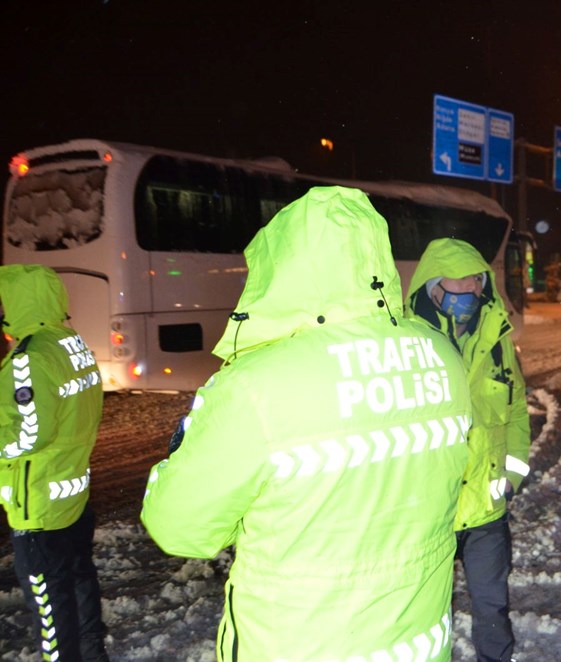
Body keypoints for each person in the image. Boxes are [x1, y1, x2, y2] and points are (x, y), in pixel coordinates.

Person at [140, 187, 473, 661]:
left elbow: (180, 528)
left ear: (282, 268)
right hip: (418, 642)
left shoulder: (255, 385)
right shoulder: (443, 357)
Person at [406, 238, 531, 662]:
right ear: (433, 288)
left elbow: (515, 414)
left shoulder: (498, 341)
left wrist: (510, 479)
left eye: (478, 284)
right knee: (422, 615)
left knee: (492, 608)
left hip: (486, 512)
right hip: (429, 514)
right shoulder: (407, 344)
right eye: (462, 286)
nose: (472, 294)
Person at [0, 264, 109, 661]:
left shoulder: (30, 358)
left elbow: (30, 434)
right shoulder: (69, 343)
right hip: (72, 493)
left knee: (50, 608)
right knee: (78, 584)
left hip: (39, 507)